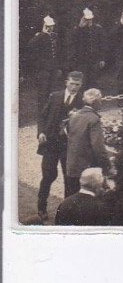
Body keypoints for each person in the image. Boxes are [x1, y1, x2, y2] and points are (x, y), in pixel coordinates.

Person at [36, 70, 84, 220]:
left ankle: (66, 211)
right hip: (50, 143)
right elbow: (43, 116)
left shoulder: (82, 102)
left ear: (81, 84)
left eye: (77, 84)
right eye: (72, 83)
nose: (74, 87)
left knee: (70, 179)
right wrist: (41, 132)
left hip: (69, 147)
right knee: (48, 175)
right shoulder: (55, 96)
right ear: (66, 82)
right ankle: (41, 207)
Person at [64, 88, 109, 197]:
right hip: (87, 167)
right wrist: (107, 165)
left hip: (72, 164)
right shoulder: (94, 119)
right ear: (96, 102)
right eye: (100, 100)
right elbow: (98, 147)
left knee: (72, 196)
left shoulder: (74, 116)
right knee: (90, 198)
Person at [27, 15, 63, 110]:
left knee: (52, 89)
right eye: (49, 26)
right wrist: (43, 33)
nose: (51, 28)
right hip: (43, 69)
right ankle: (43, 109)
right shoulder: (39, 36)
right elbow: (30, 46)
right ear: (44, 26)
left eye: (51, 26)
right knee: (43, 90)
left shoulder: (54, 36)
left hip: (53, 68)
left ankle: (50, 108)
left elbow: (58, 52)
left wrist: (58, 67)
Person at [70, 9, 106, 90]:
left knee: (93, 81)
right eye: (86, 19)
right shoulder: (79, 29)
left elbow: (102, 45)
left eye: (90, 19)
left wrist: (102, 58)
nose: (88, 21)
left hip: (95, 60)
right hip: (82, 60)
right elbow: (73, 40)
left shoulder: (97, 29)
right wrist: (80, 27)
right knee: (83, 81)